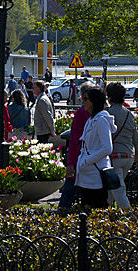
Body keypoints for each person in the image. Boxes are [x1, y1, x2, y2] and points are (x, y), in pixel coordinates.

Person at [75, 85, 116, 211]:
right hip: (87, 174)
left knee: (97, 208)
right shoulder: (91, 119)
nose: (82, 101)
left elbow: (107, 148)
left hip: (95, 174)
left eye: (85, 99)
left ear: (93, 102)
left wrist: (87, 160)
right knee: (86, 209)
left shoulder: (101, 120)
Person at [58, 82, 93, 213]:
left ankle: (64, 211)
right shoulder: (94, 113)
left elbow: (73, 140)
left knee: (71, 187)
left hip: (81, 157)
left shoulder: (81, 113)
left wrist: (71, 162)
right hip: (87, 157)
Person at [105, 82, 138, 209]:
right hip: (129, 156)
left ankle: (127, 213)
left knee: (118, 189)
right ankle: (106, 210)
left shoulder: (108, 114)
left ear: (109, 98)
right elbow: (135, 137)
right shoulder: (129, 114)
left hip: (115, 156)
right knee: (112, 189)